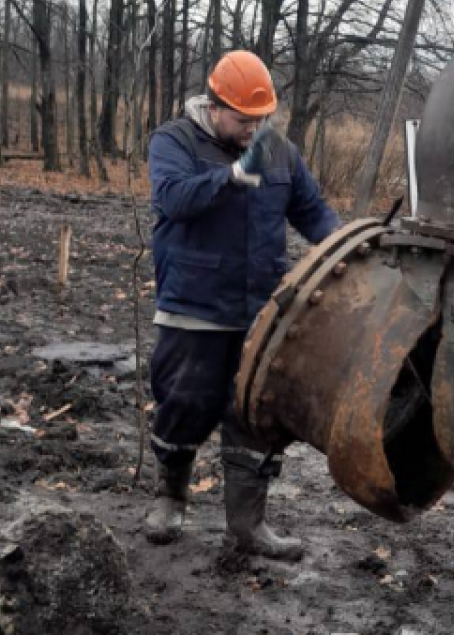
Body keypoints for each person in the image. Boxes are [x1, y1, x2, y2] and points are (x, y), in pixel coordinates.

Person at [144, 49, 339, 559]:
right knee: (185, 402)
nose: (255, 129)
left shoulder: (278, 151)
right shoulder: (174, 141)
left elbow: (312, 212)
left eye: (263, 119)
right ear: (214, 105)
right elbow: (173, 200)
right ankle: (170, 497)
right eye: (243, 119)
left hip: (259, 313)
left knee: (254, 412)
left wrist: (346, 247)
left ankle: (248, 527)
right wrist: (229, 179)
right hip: (195, 305)